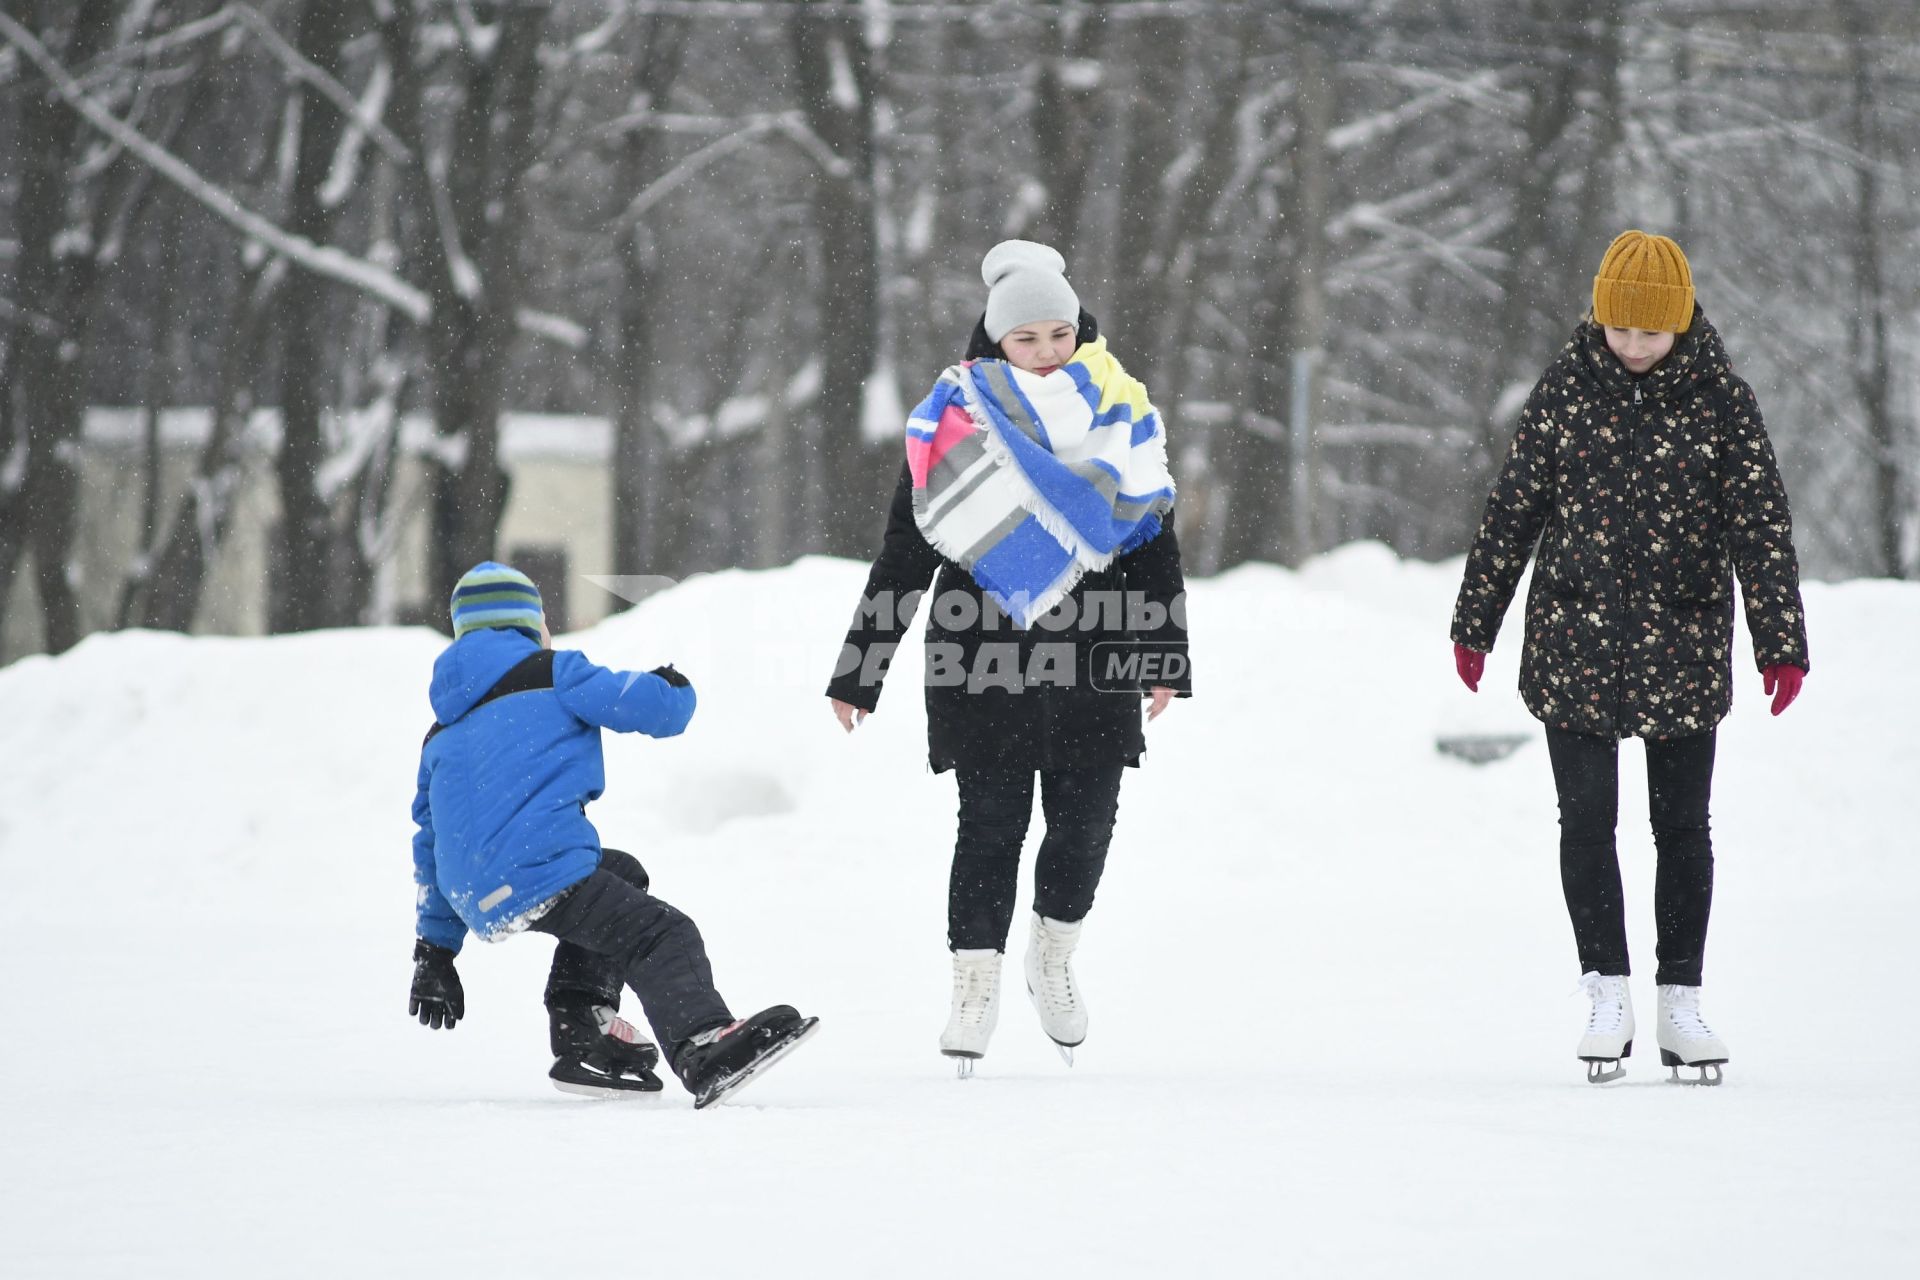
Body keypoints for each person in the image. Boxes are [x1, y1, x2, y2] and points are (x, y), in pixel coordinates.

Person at [1449, 230, 1810, 1085]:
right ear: (1599, 318)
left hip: (1682, 643)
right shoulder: (1566, 392)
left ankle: (1680, 1000)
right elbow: (1514, 511)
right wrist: (1477, 620)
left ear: (1680, 324)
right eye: (1622, 329)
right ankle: (1606, 991)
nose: (1637, 346)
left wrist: (1779, 639)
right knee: (1587, 823)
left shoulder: (1723, 401)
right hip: (1574, 642)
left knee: (1683, 827)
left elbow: (1760, 526)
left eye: (1653, 332)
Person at [826, 240, 1191, 1074]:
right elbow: (905, 549)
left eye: (1059, 332)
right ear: (997, 340)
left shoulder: (1118, 411)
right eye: (1027, 338)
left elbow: (1152, 544)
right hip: (980, 653)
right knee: (989, 829)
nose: (1047, 350)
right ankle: (974, 983)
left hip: (1095, 653)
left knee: (1085, 830)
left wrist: (1164, 652)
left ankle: (1052, 957)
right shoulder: (954, 421)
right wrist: (861, 667)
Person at [408, 561, 818, 1107]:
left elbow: (429, 843)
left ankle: (584, 1033)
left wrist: (434, 952)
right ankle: (701, 1043)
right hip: (540, 868)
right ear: (529, 624)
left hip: (474, 896)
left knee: (618, 871)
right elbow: (648, 707)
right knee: (661, 934)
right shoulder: (551, 670)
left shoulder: (442, 728)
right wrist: (671, 687)